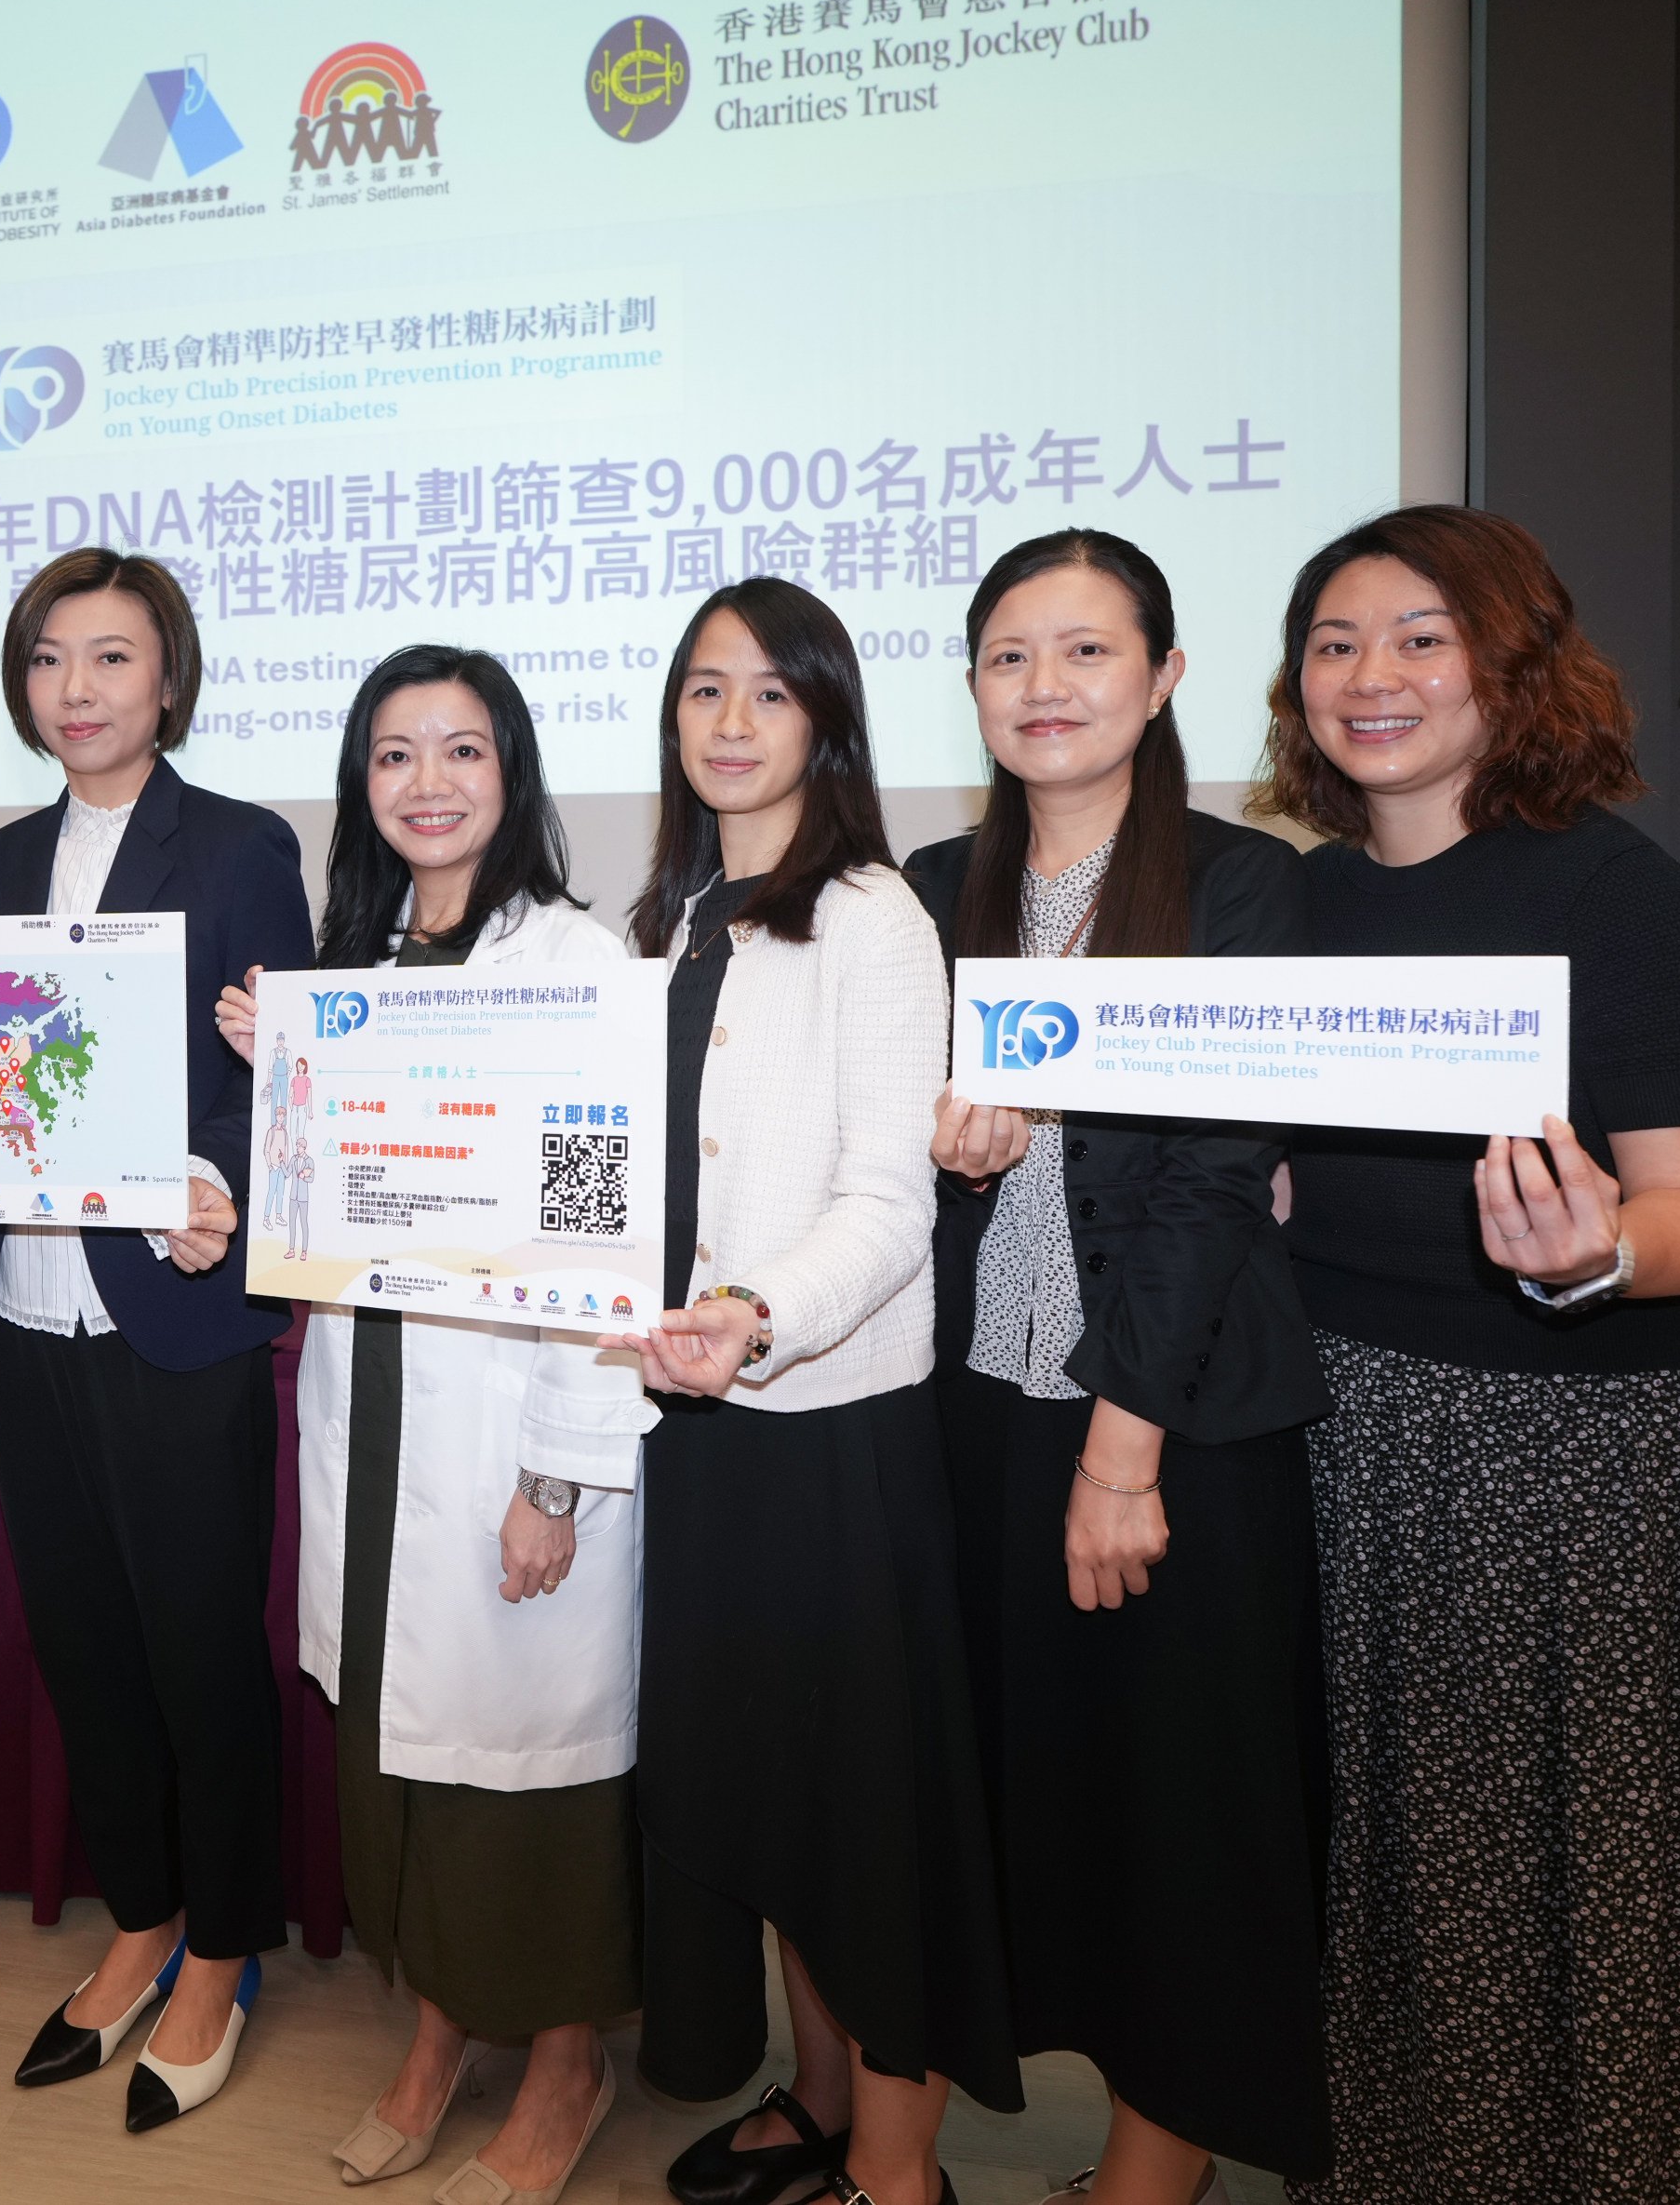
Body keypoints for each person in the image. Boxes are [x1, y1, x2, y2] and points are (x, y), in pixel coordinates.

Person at [1260, 507, 1680, 2204]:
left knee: (1560, 1881)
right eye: (1334, 643)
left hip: (1559, 1453)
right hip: (1330, 1426)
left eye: (1422, 636)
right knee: (1366, 1859)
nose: (1373, 677)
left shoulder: (1625, 901)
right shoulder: (1291, 904)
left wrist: (1596, 1253)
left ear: (1513, 664)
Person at [899, 532, 1329, 2202]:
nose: (1046, 687)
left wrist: (1120, 1450)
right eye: (1010, 655)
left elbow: (1217, 1181)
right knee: (1022, 1784)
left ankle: (1156, 2171)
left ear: (1160, 679)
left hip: (1170, 1421)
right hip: (968, 1410)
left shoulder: (1242, 885)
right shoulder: (934, 892)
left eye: (1087, 653)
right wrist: (940, 1148)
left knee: (1182, 1816)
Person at [212, 647, 645, 2205]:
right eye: (395, 756)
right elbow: (326, 1225)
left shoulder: (581, 964)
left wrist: (556, 1475)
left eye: (463, 752)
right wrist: (274, 1103)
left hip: (511, 1426)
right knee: (399, 1749)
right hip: (377, 1407)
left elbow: (604, 1240)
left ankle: (566, 2062)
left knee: (518, 1773)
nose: (429, 784)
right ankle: (442, 2030)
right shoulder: (357, 969)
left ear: (515, 774)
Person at [610, 578, 1016, 2205]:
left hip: (830, 1429)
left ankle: (901, 2172)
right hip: (699, 1431)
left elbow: (889, 1200)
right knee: (766, 1797)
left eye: (769, 694)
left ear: (827, 723)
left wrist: (754, 1313)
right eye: (704, 690)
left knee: (861, 1820)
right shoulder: (674, 918)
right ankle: (818, 2100)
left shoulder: (875, 915)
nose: (729, 722)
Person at [0, 546, 312, 2132]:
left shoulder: (239, 843)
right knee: (84, 1645)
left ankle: (224, 1943)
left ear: (169, 674)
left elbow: (271, 1060)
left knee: (198, 1651)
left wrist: (215, 1174)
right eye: (50, 658)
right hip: (25, 1313)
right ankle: (142, 1914)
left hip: (175, 1306)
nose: (78, 688)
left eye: (111, 656)